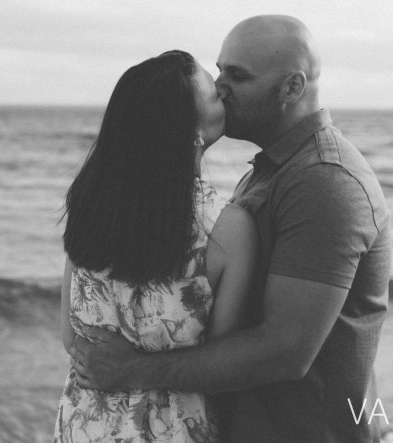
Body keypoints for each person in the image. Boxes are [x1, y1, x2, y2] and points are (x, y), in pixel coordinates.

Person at [72, 16, 392, 443]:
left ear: (292, 88)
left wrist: (132, 370)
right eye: (220, 70)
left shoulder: (324, 182)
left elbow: (284, 352)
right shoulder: (273, 172)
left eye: (237, 76)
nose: (220, 87)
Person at [54, 50, 259, 443]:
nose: (223, 91)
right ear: (189, 132)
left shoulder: (89, 204)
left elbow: (71, 338)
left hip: (85, 424)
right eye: (213, 94)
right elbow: (221, 369)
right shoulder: (228, 229)